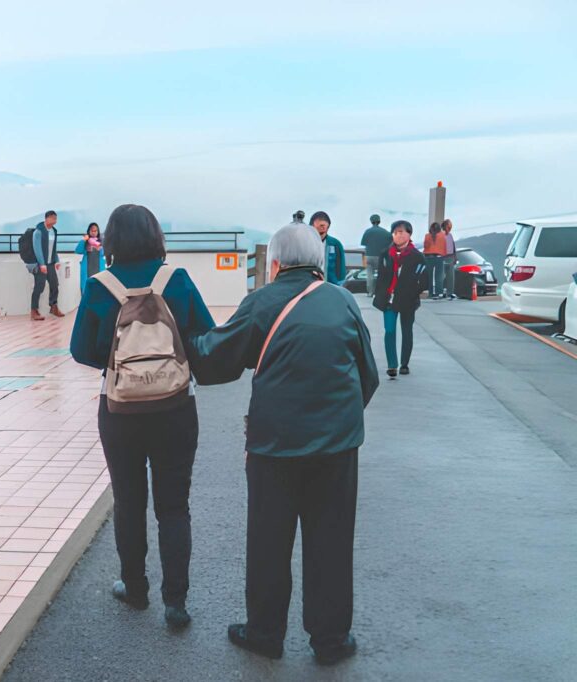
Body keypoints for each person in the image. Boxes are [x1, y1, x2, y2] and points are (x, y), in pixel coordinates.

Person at [187, 222, 379, 666]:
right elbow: (367, 374)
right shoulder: (343, 300)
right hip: (337, 446)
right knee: (331, 540)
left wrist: (184, 333)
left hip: (274, 446)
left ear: (274, 264)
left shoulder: (262, 301)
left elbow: (216, 358)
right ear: (318, 262)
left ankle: (264, 634)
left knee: (269, 541)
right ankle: (331, 640)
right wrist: (340, 423)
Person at [70, 204, 215, 630]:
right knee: (174, 506)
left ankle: (134, 588)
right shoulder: (176, 279)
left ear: (111, 239)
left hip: (120, 410)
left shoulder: (100, 286)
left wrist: (118, 364)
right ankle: (176, 603)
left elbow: (80, 349)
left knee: (129, 500)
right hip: (175, 406)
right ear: (156, 236)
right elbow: (205, 334)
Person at [373, 221, 427, 378]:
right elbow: (381, 277)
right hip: (389, 299)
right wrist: (380, 293)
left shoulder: (417, 256)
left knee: (406, 331)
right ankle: (392, 365)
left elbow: (424, 280)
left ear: (409, 234)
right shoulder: (385, 254)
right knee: (389, 330)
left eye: (402, 232)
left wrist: (413, 292)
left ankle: (404, 364)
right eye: (395, 232)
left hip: (408, 300)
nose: (398, 235)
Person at [29, 210, 64, 321]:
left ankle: (53, 307)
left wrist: (56, 260)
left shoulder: (53, 231)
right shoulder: (38, 232)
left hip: (51, 264)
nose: (55, 220)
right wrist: (42, 264)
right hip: (40, 264)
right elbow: (37, 249)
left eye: (56, 218)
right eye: (53, 218)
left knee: (55, 285)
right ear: (46, 218)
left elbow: (53, 248)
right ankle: (34, 310)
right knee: (39, 287)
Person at [360, 214, 392, 297]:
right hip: (380, 257)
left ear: (371, 221)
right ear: (379, 221)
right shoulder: (385, 232)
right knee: (381, 275)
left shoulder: (368, 231)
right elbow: (391, 243)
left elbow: (363, 243)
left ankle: (370, 292)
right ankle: (380, 292)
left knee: (369, 275)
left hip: (369, 256)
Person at [311, 211, 346, 285]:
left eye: (323, 225)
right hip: (310, 285)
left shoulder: (335, 244)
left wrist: (340, 284)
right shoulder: (305, 243)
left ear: (328, 226)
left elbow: (341, 268)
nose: (321, 228)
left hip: (331, 285)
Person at [74, 222, 107, 294]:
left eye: (95, 231)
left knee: (99, 290)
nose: (94, 232)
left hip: (99, 269)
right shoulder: (86, 242)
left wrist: (100, 248)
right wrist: (83, 240)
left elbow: (105, 253)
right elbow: (78, 251)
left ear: (98, 232)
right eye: (92, 231)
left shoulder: (101, 241)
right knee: (86, 290)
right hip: (87, 270)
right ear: (89, 231)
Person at [423, 222, 447, 298]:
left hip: (428, 258)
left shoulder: (427, 236)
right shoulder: (443, 235)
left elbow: (425, 246)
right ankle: (438, 293)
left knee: (429, 277)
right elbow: (445, 247)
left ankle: (431, 293)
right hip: (439, 258)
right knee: (438, 277)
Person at [442, 218, 458, 299]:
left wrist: (455, 257)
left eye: (450, 227)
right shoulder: (441, 235)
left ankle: (450, 293)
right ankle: (441, 292)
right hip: (443, 257)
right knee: (441, 276)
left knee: (451, 276)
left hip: (451, 257)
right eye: (448, 227)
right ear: (444, 226)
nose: (450, 228)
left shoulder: (450, 235)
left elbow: (453, 246)